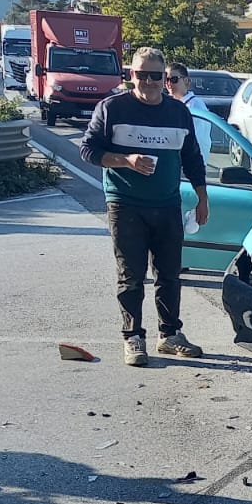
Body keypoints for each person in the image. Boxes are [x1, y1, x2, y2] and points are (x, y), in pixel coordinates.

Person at [80, 46, 209, 366]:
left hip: (167, 204)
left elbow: (192, 157)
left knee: (169, 274)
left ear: (165, 78)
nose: (149, 82)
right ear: (131, 75)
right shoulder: (112, 108)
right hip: (126, 204)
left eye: (155, 76)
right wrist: (126, 161)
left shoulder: (178, 112)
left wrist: (202, 197)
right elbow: (88, 150)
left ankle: (170, 335)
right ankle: (133, 337)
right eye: (142, 75)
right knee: (131, 275)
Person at [165, 62, 212, 162]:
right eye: (166, 79)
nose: (169, 84)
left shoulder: (195, 106)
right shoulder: (169, 103)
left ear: (186, 80)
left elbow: (196, 140)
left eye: (173, 79)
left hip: (190, 162)